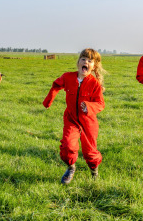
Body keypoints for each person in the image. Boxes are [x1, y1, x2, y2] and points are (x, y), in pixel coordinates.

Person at [43, 48, 105, 184]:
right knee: (67, 146)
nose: (86, 62)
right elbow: (56, 85)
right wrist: (48, 101)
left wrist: (88, 107)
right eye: (83, 59)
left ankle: (94, 171)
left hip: (88, 122)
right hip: (71, 119)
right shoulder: (68, 77)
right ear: (78, 63)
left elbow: (100, 104)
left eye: (90, 61)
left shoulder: (94, 83)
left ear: (93, 66)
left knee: (90, 152)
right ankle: (71, 167)